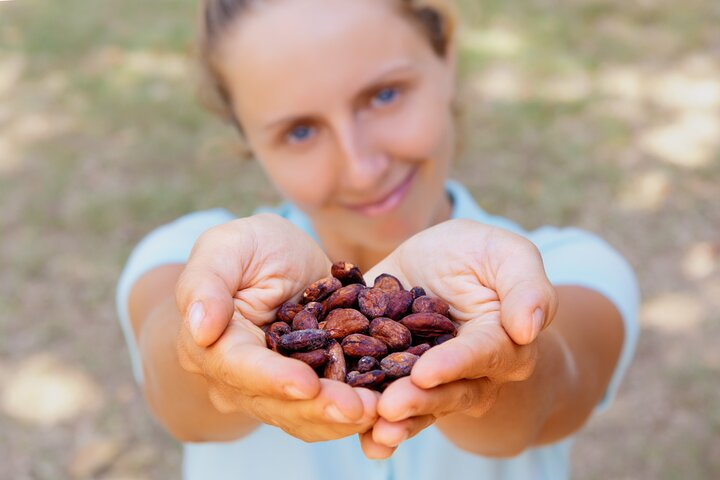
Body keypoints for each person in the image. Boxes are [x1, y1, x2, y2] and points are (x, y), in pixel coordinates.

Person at [115, 0, 640, 478]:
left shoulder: (574, 269)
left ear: (447, 57)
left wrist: (507, 352)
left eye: (384, 95)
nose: (362, 169)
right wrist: (206, 337)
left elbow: (554, 399)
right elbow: (175, 398)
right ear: (244, 134)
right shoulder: (186, 257)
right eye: (300, 131)